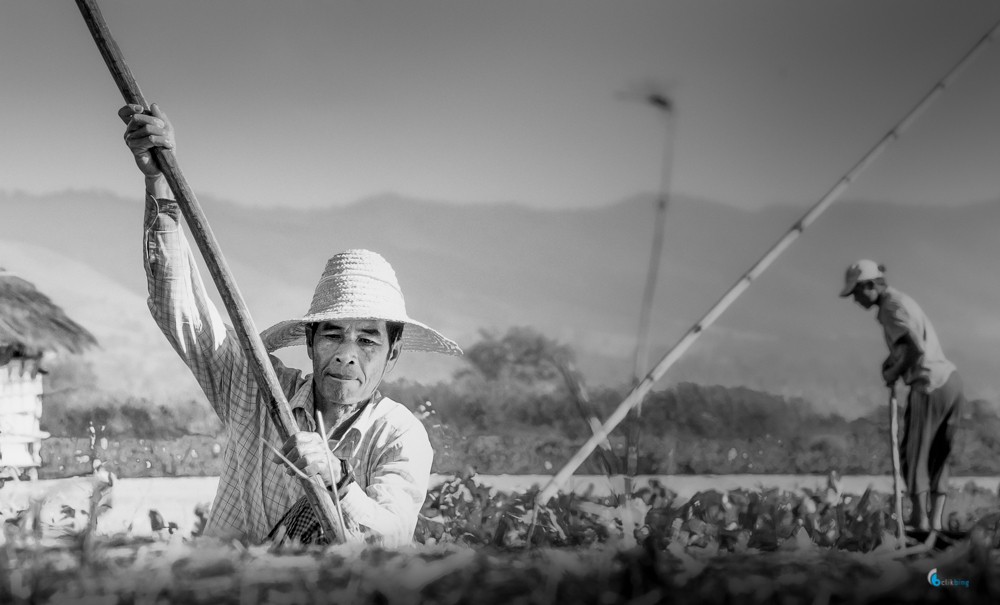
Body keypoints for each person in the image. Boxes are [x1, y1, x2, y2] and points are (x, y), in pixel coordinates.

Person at [119, 103, 462, 545]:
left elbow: (391, 537)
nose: (346, 353)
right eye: (334, 334)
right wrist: (159, 181)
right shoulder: (256, 387)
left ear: (393, 353)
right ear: (310, 340)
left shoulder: (398, 435)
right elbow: (179, 308)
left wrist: (338, 481)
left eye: (368, 340)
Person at [840, 259, 964, 532]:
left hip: (930, 383)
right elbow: (908, 344)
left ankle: (920, 522)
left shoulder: (890, 307)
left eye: (857, 293)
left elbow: (913, 348)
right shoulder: (900, 301)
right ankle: (935, 524)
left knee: (915, 453)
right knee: (938, 455)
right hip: (951, 381)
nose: (856, 300)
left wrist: (892, 373)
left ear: (870, 286)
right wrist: (892, 362)